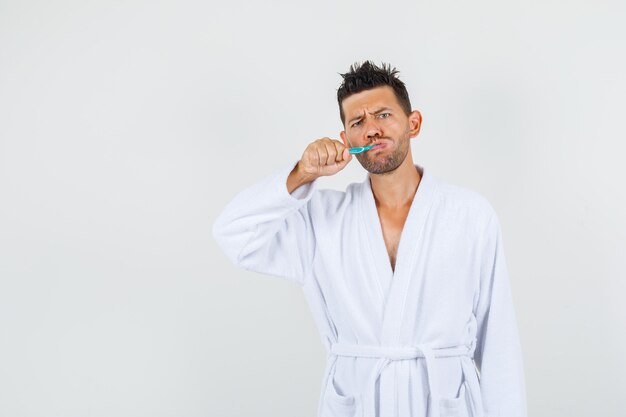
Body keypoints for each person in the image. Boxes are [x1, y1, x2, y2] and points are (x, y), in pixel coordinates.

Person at [213, 61, 527, 417]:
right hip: (357, 403)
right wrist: (301, 174)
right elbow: (233, 234)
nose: (372, 130)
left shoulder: (470, 214)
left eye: (383, 115)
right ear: (346, 140)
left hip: (445, 404)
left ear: (414, 124)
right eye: (357, 122)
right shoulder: (321, 218)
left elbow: (499, 342)